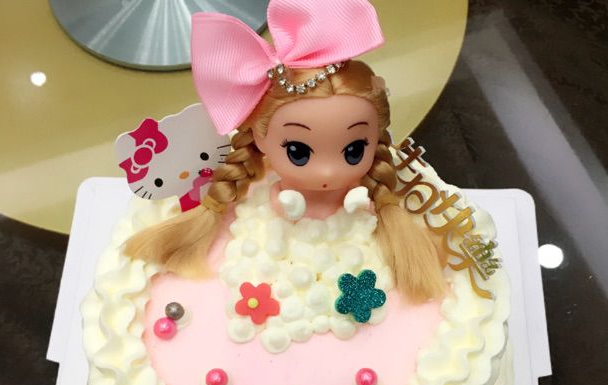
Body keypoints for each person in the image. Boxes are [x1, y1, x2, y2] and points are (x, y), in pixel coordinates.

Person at [125, 0, 445, 302]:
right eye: (298, 152)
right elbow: (279, 203)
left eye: (353, 150)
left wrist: (358, 200)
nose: (327, 172)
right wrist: (289, 206)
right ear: (260, 139)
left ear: (376, 138)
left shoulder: (364, 189)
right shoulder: (273, 199)